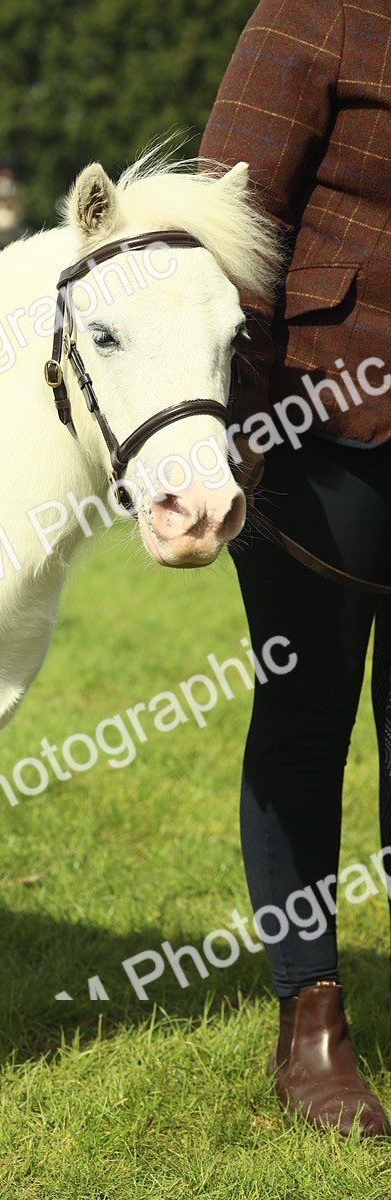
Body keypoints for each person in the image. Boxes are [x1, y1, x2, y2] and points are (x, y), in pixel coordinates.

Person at [200, 0, 391, 1137]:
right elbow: (232, 218)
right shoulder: (321, 10)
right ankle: (308, 1020)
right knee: (309, 715)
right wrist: (243, 422)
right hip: (321, 414)